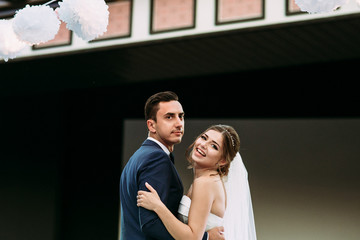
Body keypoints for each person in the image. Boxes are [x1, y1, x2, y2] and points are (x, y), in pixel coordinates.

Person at [119, 91, 224, 240]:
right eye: (169, 117)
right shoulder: (156, 158)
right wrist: (205, 237)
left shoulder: (139, 156)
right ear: (151, 125)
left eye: (180, 116)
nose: (179, 123)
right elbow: (151, 224)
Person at [137, 124, 257, 240]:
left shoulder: (206, 183)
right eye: (204, 138)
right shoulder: (208, 181)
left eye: (214, 146)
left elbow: (193, 237)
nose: (203, 144)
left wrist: (158, 206)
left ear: (223, 161)